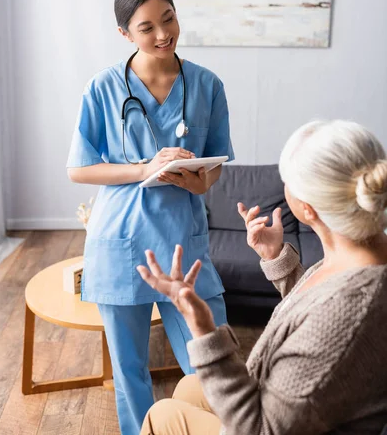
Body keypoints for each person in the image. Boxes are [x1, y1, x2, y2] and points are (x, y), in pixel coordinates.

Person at [138, 119, 387, 435]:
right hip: (307, 407)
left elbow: (260, 428)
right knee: (190, 386)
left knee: (164, 415)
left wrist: (203, 329)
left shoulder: (352, 312)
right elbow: (319, 311)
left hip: (265, 424)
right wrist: (276, 257)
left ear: (307, 209)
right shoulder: (361, 255)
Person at [66, 0, 234, 435]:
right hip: (121, 242)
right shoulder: (102, 88)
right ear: (125, 34)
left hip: (184, 241)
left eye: (169, 18)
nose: (163, 34)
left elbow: (218, 160)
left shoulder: (206, 85)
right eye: (146, 28)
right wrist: (144, 169)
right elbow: (79, 169)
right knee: (131, 374)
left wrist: (202, 185)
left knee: (214, 367)